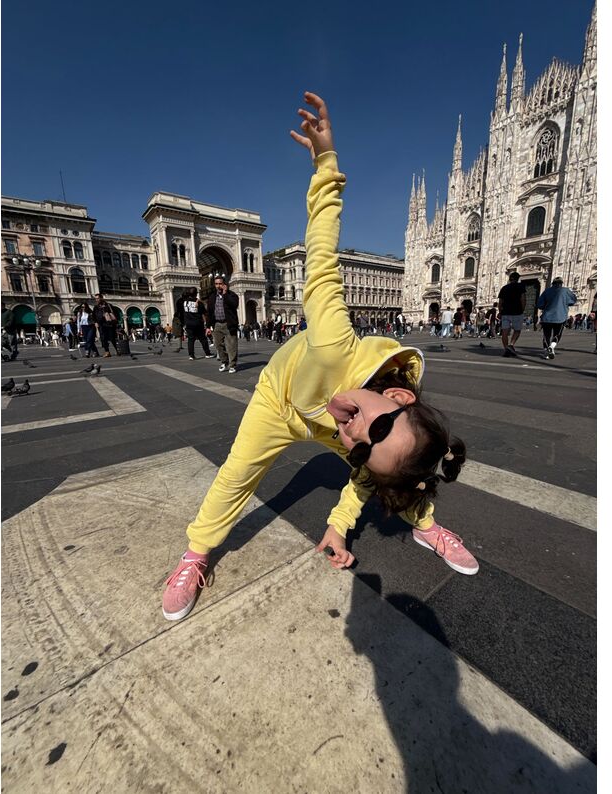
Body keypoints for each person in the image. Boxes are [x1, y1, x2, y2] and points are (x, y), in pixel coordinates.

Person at [162, 91, 477, 622]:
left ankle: (426, 526)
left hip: (335, 421)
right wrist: (326, 165)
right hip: (280, 400)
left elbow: (367, 467)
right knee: (236, 475)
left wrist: (337, 523)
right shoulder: (333, 340)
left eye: (361, 447)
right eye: (377, 428)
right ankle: (195, 555)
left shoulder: (362, 440)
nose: (356, 435)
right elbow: (322, 254)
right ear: (397, 397)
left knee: (399, 470)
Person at [536, 276, 576, 359]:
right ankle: (552, 346)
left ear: (552, 283)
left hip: (547, 317)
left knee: (546, 335)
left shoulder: (547, 291)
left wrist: (546, 306)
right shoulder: (566, 291)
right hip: (560, 317)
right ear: (561, 283)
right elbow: (573, 300)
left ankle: (546, 352)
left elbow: (539, 304)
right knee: (557, 334)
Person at [207, 274, 239, 373]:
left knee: (231, 346)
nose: (218, 286)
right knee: (218, 345)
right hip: (217, 324)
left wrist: (225, 294)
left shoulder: (232, 295)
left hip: (229, 324)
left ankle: (232, 365)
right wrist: (208, 326)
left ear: (224, 284)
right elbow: (209, 312)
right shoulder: (212, 297)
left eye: (220, 284)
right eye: (216, 284)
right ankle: (224, 362)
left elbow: (234, 305)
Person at [179, 287, 213, 360]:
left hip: (188, 323)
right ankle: (207, 353)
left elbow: (181, 312)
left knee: (191, 340)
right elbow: (204, 312)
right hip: (198, 323)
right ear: (196, 294)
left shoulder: (184, 302)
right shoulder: (199, 303)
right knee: (203, 339)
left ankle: (191, 355)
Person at [498, 272, 526, 357]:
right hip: (517, 312)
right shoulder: (520, 287)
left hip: (505, 313)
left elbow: (500, 302)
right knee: (517, 330)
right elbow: (523, 299)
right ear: (518, 279)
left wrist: (500, 312)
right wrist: (522, 309)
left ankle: (506, 349)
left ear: (510, 279)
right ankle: (511, 344)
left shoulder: (504, 288)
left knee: (504, 332)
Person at [92, 293, 119, 357]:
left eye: (98, 298)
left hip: (109, 324)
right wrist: (95, 322)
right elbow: (93, 316)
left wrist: (113, 319)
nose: (97, 300)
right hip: (101, 325)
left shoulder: (108, 305)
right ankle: (107, 352)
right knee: (103, 338)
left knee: (112, 338)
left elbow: (115, 313)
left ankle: (117, 350)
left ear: (101, 298)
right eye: (96, 299)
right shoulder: (96, 307)